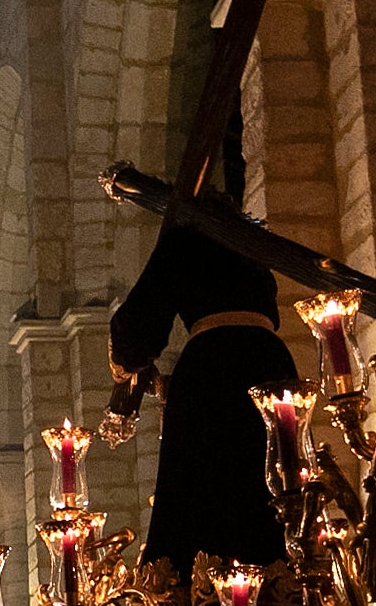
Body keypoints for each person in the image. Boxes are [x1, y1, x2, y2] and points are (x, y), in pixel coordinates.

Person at [104, 216, 299, 571]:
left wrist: (123, 365)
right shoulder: (249, 237)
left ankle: (201, 591)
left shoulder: (185, 239)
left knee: (204, 497)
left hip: (213, 370)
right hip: (274, 368)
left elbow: (136, 332)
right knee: (277, 489)